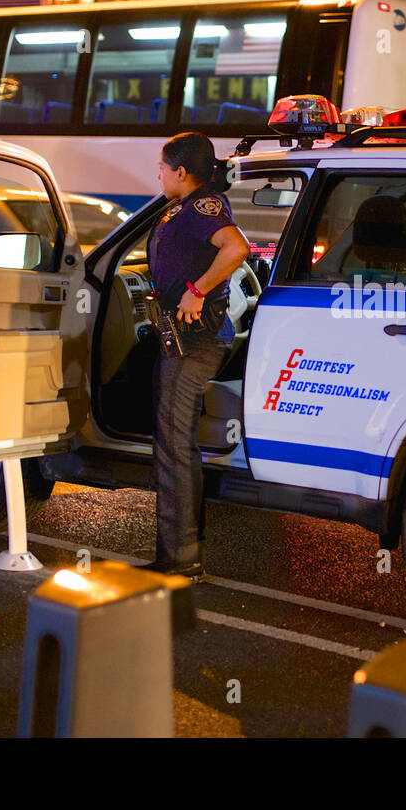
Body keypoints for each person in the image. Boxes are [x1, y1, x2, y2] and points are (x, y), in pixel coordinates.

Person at [142, 132, 250, 576]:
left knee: (174, 446)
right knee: (175, 444)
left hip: (194, 340)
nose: (160, 174)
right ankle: (183, 549)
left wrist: (196, 291)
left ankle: (179, 559)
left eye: (163, 168)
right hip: (185, 336)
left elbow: (237, 248)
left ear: (181, 172)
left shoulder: (201, 207)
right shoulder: (182, 209)